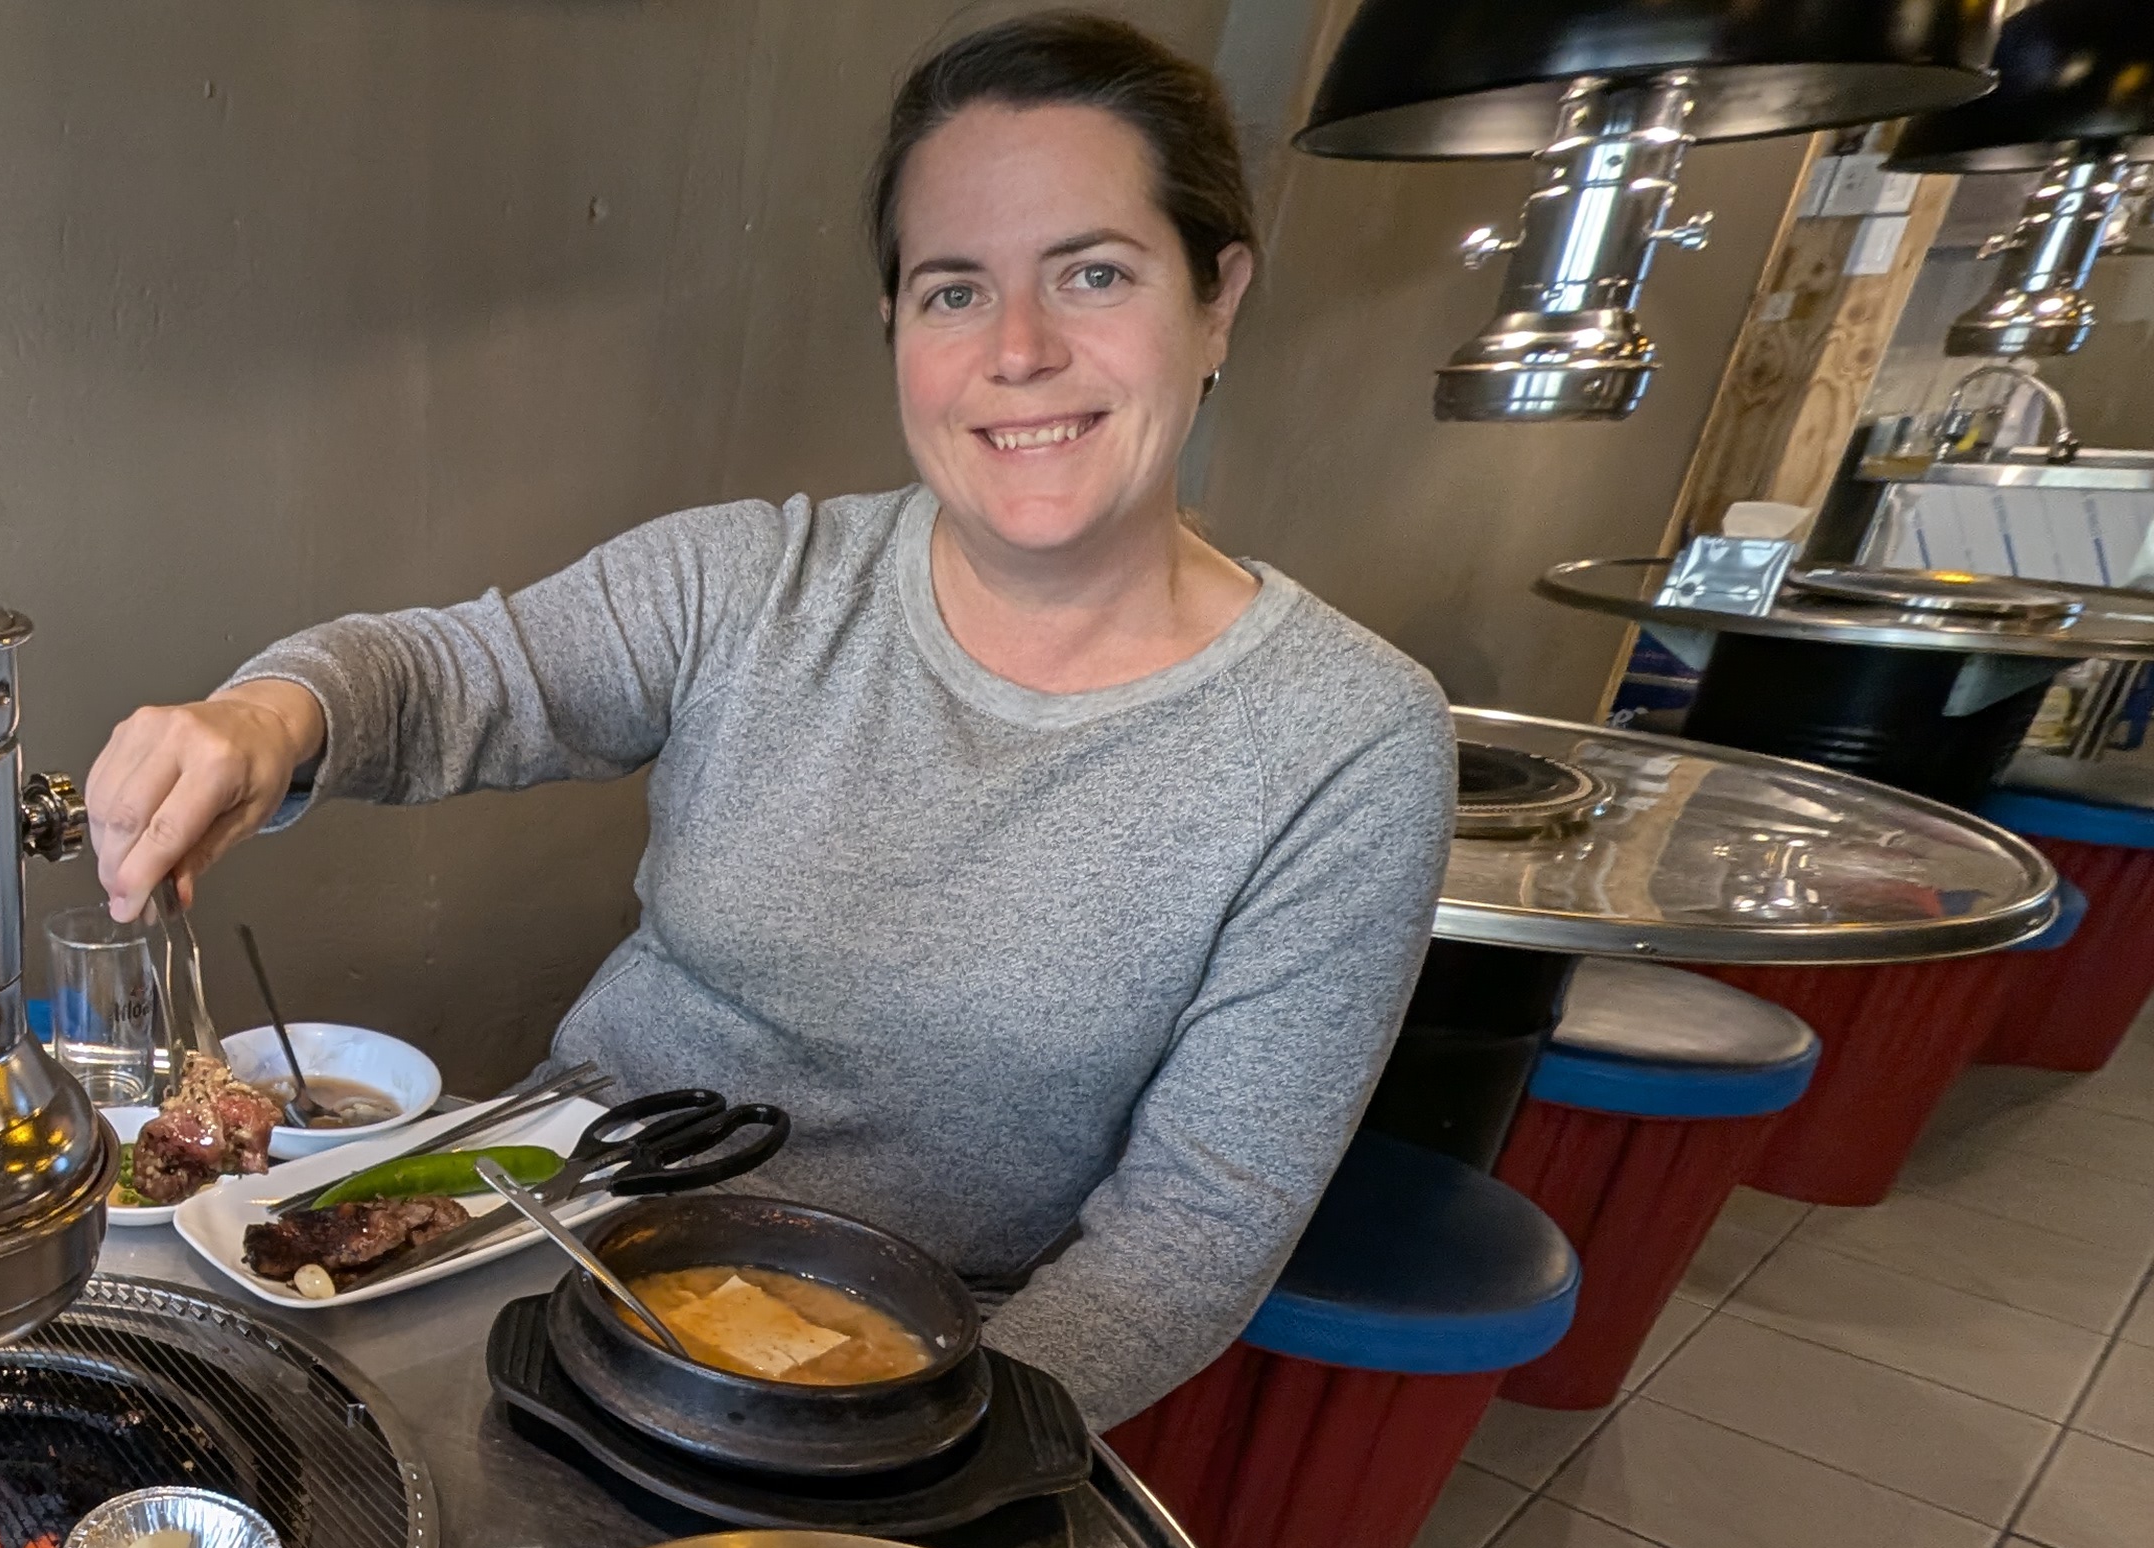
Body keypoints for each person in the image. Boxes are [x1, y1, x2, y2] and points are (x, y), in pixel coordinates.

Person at [79, 12, 1453, 1430]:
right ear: (895, 327)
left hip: (915, 1369)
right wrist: (269, 716)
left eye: (1093, 273)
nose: (1020, 350)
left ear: (1217, 300)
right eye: (954, 290)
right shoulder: (756, 580)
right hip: (541, 1238)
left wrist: (899, 1446)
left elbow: (1187, 1239)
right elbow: (452, 675)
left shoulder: (1343, 739)